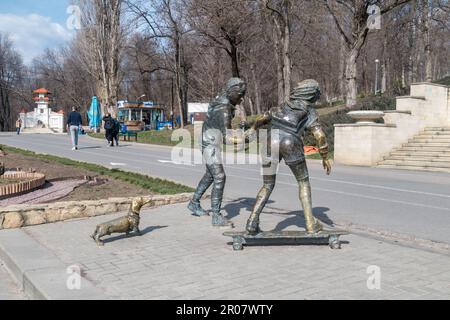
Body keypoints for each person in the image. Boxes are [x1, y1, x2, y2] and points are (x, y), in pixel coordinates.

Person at [245, 79, 332, 235]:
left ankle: (252, 221)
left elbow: (263, 117)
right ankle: (310, 223)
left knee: (267, 185)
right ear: (311, 94)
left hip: (270, 140)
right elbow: (319, 135)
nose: (319, 95)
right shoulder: (309, 111)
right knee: (303, 181)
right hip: (290, 142)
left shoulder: (282, 106)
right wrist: (325, 156)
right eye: (317, 92)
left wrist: (252, 129)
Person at [188, 78, 255, 227]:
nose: (242, 98)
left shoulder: (225, 102)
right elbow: (227, 138)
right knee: (219, 176)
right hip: (209, 143)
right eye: (240, 94)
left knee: (210, 175)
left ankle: (194, 203)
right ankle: (216, 216)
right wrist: (245, 139)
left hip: (211, 140)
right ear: (231, 91)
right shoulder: (223, 109)